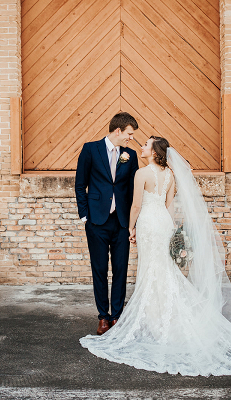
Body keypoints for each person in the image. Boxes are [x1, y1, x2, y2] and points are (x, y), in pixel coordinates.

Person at [80, 136, 231, 376]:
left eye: (146, 145)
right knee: (164, 271)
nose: (141, 146)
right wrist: (171, 231)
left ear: (153, 151)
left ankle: (156, 320)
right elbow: (169, 206)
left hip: (148, 225)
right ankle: (164, 317)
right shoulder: (171, 175)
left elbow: (136, 206)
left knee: (151, 271)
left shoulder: (141, 174)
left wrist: (130, 228)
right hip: (163, 224)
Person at [75, 112, 140, 336]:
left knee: (121, 270)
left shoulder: (130, 155)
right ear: (118, 131)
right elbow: (80, 184)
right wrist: (85, 216)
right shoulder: (90, 149)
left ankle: (117, 317)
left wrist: (133, 223)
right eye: (129, 134)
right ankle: (103, 316)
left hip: (121, 222)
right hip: (97, 221)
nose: (131, 139)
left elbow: (132, 191)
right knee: (99, 269)